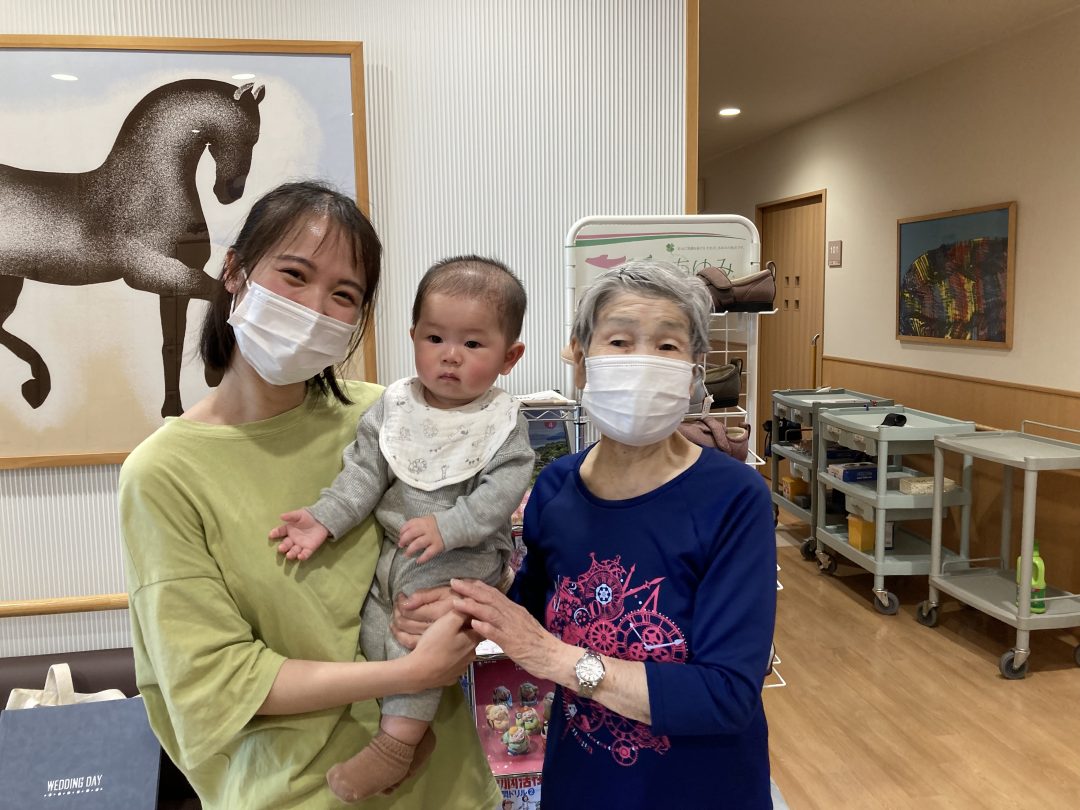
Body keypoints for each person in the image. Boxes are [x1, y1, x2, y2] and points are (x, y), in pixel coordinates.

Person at [118, 181, 503, 809]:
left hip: (448, 788)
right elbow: (217, 680)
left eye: (344, 295)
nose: (315, 308)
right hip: (293, 793)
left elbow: (489, 535)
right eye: (294, 275)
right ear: (234, 271)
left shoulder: (394, 418)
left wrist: (463, 601)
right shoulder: (163, 473)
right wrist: (410, 672)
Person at [448, 260, 777, 807]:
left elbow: (726, 694)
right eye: (620, 341)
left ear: (694, 371)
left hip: (701, 789)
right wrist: (449, 599)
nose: (643, 362)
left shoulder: (734, 498)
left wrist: (556, 659)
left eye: (667, 346)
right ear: (581, 361)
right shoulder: (556, 487)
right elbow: (525, 612)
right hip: (582, 781)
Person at [269, 255, 534, 802]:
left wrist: (450, 525)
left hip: (462, 556)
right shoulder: (393, 407)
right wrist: (323, 519)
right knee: (374, 627)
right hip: (395, 554)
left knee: (416, 640)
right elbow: (363, 474)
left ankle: (395, 745)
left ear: (510, 357)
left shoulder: (502, 422)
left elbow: (502, 493)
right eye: (435, 338)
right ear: (413, 337)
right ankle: (412, 739)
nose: (450, 355)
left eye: (473, 344)